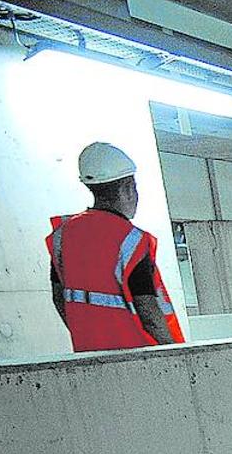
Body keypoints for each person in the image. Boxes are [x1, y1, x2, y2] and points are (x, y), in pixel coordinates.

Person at [47, 142, 185, 352]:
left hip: (89, 356)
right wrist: (178, 356)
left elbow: (59, 298)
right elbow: (149, 314)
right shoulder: (131, 240)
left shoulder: (62, 236)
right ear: (128, 189)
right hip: (141, 358)